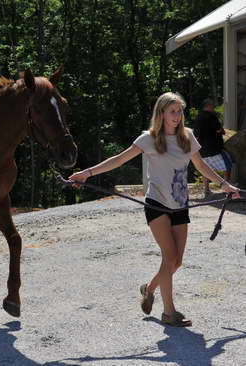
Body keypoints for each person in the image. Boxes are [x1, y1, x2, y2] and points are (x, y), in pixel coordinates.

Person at [69, 92, 240, 327]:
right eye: (172, 111)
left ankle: (149, 289)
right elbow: (118, 159)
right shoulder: (148, 139)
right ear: (161, 113)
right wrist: (86, 173)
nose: (177, 116)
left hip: (180, 204)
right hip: (156, 204)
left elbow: (201, 165)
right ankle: (169, 312)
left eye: (180, 111)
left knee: (176, 262)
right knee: (168, 257)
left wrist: (225, 184)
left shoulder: (187, 137)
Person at [193, 98, 232, 197]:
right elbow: (219, 130)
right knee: (228, 164)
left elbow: (196, 135)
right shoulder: (212, 117)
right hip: (215, 149)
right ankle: (227, 190)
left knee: (205, 169)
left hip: (202, 150)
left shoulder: (198, 117)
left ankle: (206, 190)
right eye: (213, 105)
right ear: (209, 106)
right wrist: (222, 131)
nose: (214, 107)